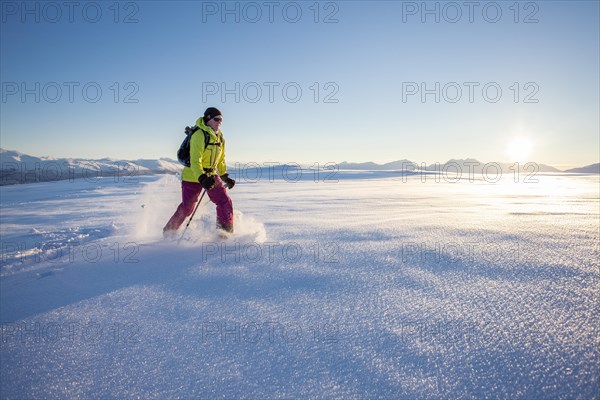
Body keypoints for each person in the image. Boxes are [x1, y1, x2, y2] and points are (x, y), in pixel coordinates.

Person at [163, 107, 236, 237]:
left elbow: (221, 159)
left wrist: (224, 176)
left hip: (210, 174)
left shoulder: (220, 137)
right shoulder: (199, 135)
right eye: (216, 119)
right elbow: (195, 160)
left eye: (221, 120)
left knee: (224, 201)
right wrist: (202, 178)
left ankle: (224, 234)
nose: (219, 122)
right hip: (192, 175)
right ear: (208, 119)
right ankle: (169, 230)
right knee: (187, 208)